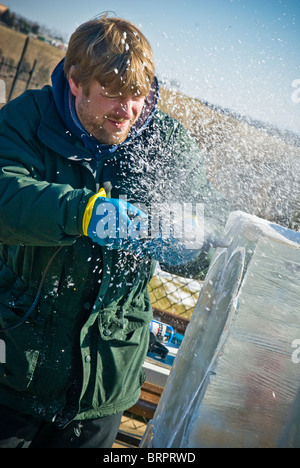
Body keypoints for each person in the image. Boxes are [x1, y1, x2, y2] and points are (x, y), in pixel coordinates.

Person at [0, 14, 229, 448]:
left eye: (138, 95)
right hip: (13, 370)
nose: (127, 111)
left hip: (103, 388)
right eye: (112, 95)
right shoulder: (26, 119)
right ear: (74, 82)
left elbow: (217, 224)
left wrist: (194, 240)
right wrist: (82, 213)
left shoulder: (163, 143)